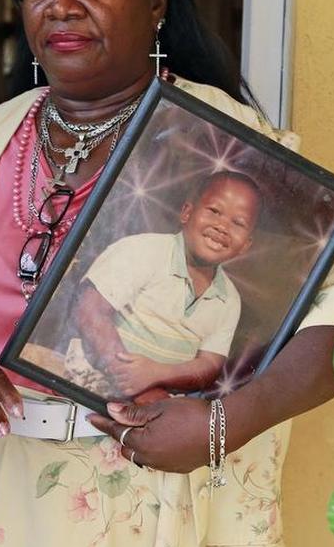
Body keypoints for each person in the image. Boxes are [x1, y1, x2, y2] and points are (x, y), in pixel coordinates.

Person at [0, 0, 334, 547]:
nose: (62, 5)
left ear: (157, 2)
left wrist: (223, 424)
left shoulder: (229, 149)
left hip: (159, 502)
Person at [65, 170, 261, 399]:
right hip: (89, 381)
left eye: (238, 223)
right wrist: (128, 377)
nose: (222, 226)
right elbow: (89, 311)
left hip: (158, 400)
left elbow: (209, 365)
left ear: (246, 245)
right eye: (214, 211)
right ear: (187, 212)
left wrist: (157, 375)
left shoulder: (229, 299)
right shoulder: (143, 251)